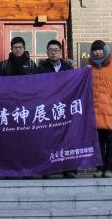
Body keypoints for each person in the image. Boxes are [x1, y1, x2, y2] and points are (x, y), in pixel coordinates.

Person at [38, 40, 76, 179]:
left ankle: (69, 169)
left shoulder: (68, 69)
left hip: (64, 109)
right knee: (47, 140)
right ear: (47, 52)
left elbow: (75, 86)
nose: (53, 52)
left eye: (56, 50)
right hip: (47, 109)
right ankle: (47, 169)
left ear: (60, 52)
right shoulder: (41, 69)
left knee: (67, 139)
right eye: (50, 50)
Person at [88, 40, 112, 178]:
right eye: (95, 50)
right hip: (94, 110)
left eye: (100, 49)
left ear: (105, 50)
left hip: (109, 109)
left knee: (110, 141)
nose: (97, 52)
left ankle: (109, 168)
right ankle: (99, 168)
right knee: (97, 143)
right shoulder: (89, 68)